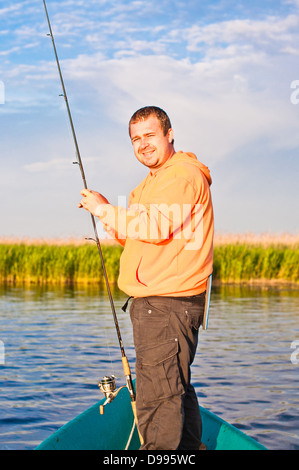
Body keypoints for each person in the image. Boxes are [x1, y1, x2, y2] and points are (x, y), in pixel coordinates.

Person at [78, 106, 214, 450]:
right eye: (136, 139)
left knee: (157, 397)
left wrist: (101, 210)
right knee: (174, 389)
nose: (143, 144)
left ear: (169, 135)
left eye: (150, 135)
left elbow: (153, 226)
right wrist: (109, 212)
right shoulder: (149, 186)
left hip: (168, 305)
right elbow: (140, 235)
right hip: (160, 306)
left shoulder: (181, 176)